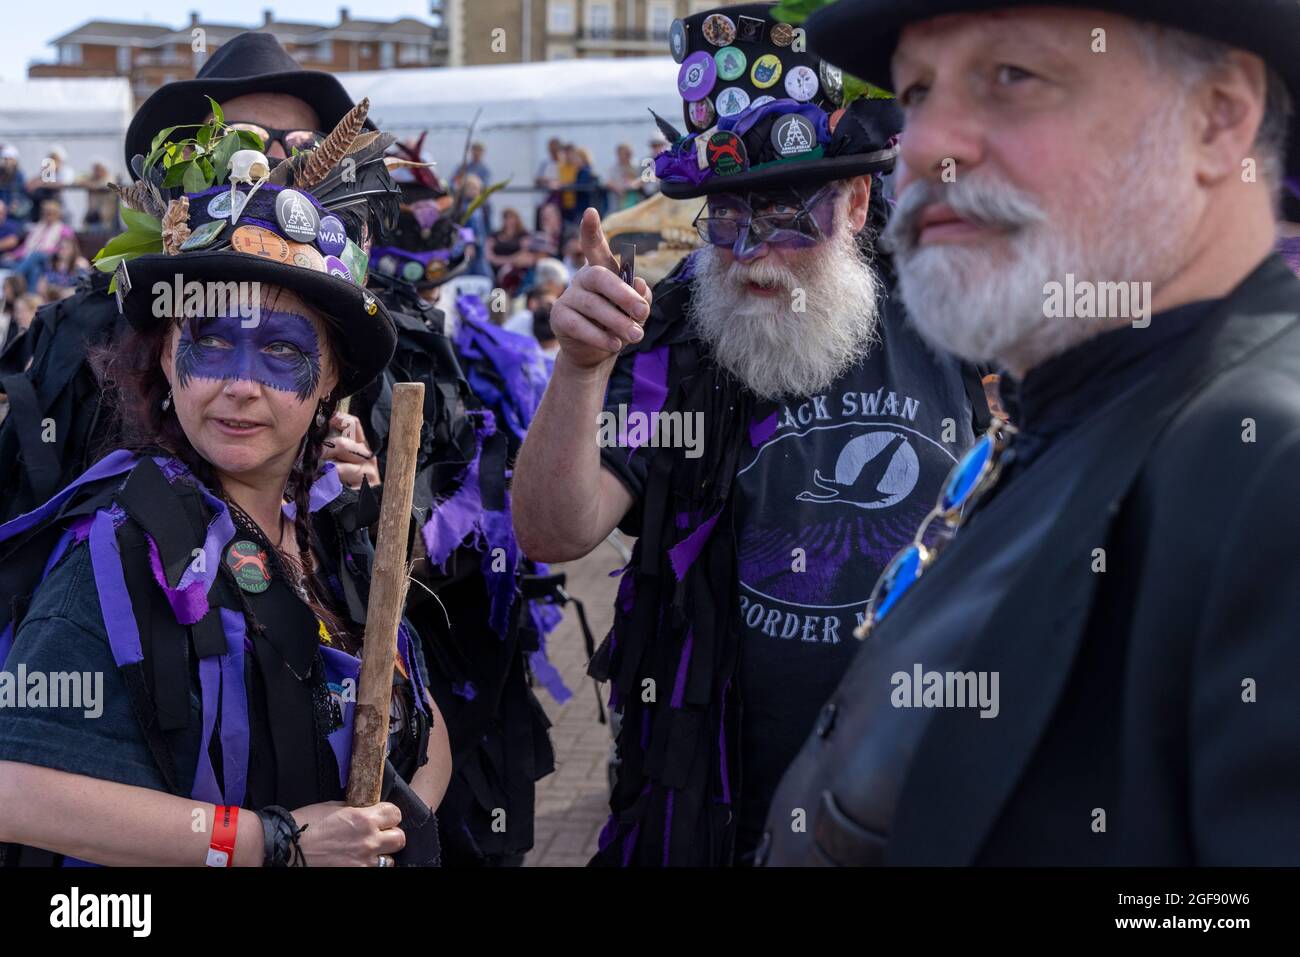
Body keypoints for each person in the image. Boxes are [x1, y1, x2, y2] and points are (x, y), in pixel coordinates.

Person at [760, 0, 1300, 867]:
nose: (928, 145)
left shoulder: (1271, 465)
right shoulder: (1075, 411)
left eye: (1011, 77)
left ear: (1216, 118)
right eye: (917, 92)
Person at [511, 2, 990, 867]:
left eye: (784, 214)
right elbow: (554, 529)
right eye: (727, 218)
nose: (753, 250)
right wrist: (578, 370)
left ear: (853, 198)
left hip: (930, 784)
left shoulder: (950, 316)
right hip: (721, 804)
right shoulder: (676, 341)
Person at [0, 112, 451, 867]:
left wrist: (384, 829)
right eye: (209, 341)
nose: (239, 385)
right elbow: (17, 787)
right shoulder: (119, 546)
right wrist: (271, 844)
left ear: (330, 377)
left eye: (281, 350)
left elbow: (426, 728)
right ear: (169, 355)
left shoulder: (331, 529)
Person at [0, 31, 377, 524]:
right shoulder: (83, 339)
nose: (272, 171)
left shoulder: (356, 328)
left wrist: (368, 508)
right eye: (239, 141)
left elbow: (431, 573)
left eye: (303, 148)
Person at [360, 133, 564, 865]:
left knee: (487, 821)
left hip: (479, 629)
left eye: (437, 282)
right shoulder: (348, 350)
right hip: (383, 644)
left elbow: (519, 484)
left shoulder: (488, 351)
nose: (425, 302)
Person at [6, 200, 75, 292]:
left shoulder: (64, 229)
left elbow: (68, 247)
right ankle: (31, 298)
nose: (47, 215)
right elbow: (25, 246)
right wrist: (13, 255)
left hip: (52, 259)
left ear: (57, 214)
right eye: (45, 213)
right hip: (33, 259)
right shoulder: (37, 227)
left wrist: (48, 250)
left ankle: (14, 276)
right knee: (35, 269)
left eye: (50, 213)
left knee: (37, 254)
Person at [606, 143, 645, 212]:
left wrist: (633, 184)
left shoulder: (636, 166)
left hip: (635, 201)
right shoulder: (613, 168)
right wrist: (617, 188)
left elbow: (643, 181)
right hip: (618, 203)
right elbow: (607, 182)